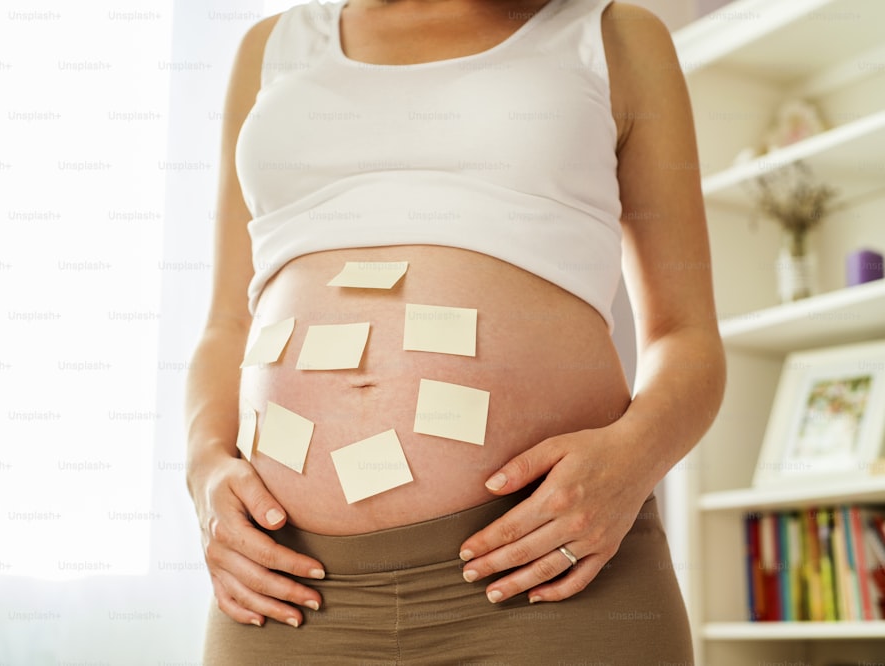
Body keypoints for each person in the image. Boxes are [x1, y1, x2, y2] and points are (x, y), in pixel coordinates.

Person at [185, 0, 725, 662]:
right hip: (287, 584)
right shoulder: (273, 46)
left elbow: (686, 335)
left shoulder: (613, 34)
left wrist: (631, 462)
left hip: (549, 571)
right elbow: (227, 322)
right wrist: (204, 469)